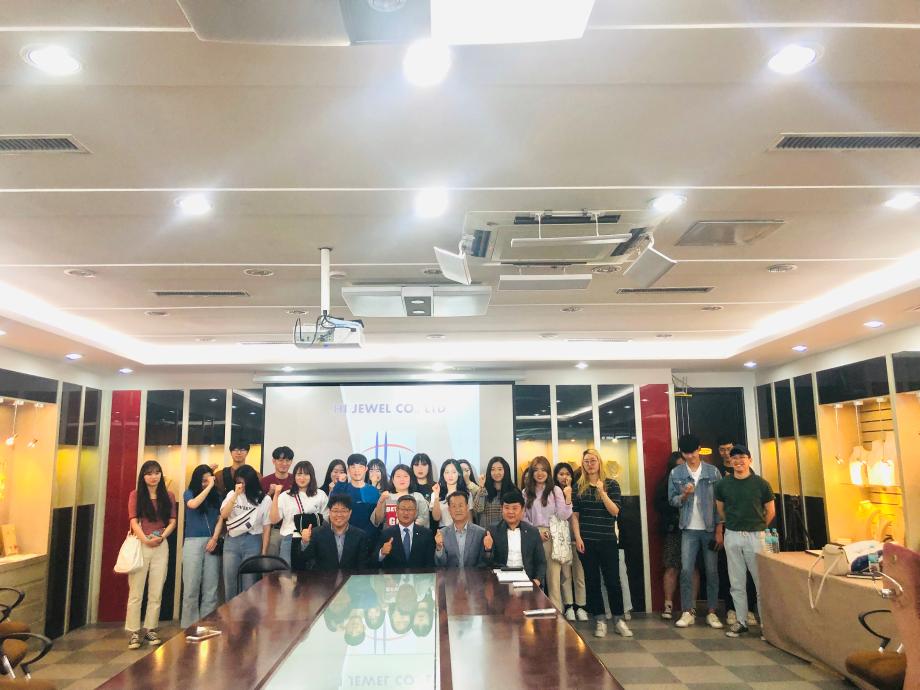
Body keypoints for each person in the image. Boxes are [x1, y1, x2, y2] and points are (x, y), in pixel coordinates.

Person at [715, 445, 776, 638]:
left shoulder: (761, 484)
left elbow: (770, 511)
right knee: (736, 581)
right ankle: (741, 622)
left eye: (742, 457)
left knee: (760, 581)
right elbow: (721, 510)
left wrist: (759, 526)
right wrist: (732, 525)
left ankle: (766, 625)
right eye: (734, 458)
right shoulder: (723, 485)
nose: (738, 461)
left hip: (756, 535)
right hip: (732, 534)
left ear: (750, 460)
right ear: (730, 461)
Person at [572, 448, 632, 638]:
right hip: (586, 541)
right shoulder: (578, 487)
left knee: (613, 581)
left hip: (607, 540)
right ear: (582, 464)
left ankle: (618, 619)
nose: (590, 464)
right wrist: (578, 537)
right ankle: (599, 620)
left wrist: (602, 493)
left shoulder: (611, 484)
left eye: (593, 460)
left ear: (599, 462)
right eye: (586, 461)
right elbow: (575, 516)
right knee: (592, 581)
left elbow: (615, 511)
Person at [669, 434, 724, 629]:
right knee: (686, 570)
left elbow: (720, 503)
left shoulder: (713, 472)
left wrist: (719, 529)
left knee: (712, 571)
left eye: (693, 452)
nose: (690, 456)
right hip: (688, 529)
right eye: (686, 453)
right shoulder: (676, 473)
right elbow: (672, 500)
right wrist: (684, 495)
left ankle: (712, 611)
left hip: (709, 528)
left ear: (699, 449)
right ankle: (687, 611)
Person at [125, 460, 177, 649]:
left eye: (157, 472)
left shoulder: (168, 495)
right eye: (149, 473)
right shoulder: (136, 495)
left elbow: (172, 521)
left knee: (156, 590)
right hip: (141, 544)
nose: (153, 477)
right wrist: (145, 539)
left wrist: (162, 536)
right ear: (143, 476)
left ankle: (150, 628)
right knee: (136, 591)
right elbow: (133, 521)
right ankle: (133, 631)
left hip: (161, 545)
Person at [523, 456, 572, 611]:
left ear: (548, 472)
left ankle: (557, 613)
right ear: (531, 472)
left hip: (552, 535)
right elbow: (523, 517)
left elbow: (563, 515)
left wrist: (568, 497)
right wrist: (534, 534)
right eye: (536, 470)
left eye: (543, 470)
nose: (540, 473)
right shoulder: (525, 492)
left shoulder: (555, 490)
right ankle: (534, 611)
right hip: (532, 536)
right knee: (534, 576)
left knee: (553, 579)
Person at [219, 464, 272, 600]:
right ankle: (230, 611)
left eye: (243, 482)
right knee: (230, 581)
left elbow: (266, 526)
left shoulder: (264, 499)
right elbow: (224, 515)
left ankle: (247, 613)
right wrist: (235, 494)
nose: (240, 485)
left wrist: (264, 550)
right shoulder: (232, 494)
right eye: (238, 482)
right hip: (232, 541)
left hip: (253, 540)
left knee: (249, 584)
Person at [180, 464, 221, 628]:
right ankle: (189, 626)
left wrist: (215, 538)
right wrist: (209, 486)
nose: (206, 483)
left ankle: (207, 624)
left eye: (209, 480)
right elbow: (193, 504)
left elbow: (220, 518)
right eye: (203, 481)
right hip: (192, 542)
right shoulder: (189, 492)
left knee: (211, 586)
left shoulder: (216, 496)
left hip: (211, 542)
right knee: (191, 586)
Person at [269, 460, 329, 569]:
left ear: (311, 476)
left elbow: (326, 519)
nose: (302, 478)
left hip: (313, 539)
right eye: (299, 474)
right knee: (287, 575)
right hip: (290, 539)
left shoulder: (320, 495)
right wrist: (276, 495)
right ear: (294, 476)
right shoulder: (285, 495)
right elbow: (273, 520)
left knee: (313, 575)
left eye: (306, 474)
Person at [484, 491, 546, 587]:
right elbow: (487, 564)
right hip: (500, 581)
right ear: (501, 509)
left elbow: (541, 562)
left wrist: (537, 581)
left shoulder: (533, 532)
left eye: (515, 508)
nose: (510, 512)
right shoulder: (492, 531)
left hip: (527, 580)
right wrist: (488, 550)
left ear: (522, 510)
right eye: (507, 508)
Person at [301, 494, 372, 571]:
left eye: (343, 511)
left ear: (350, 512)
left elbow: (362, 566)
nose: (339, 515)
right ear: (329, 512)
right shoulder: (316, 533)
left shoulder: (360, 535)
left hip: (350, 578)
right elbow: (305, 560)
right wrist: (304, 542)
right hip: (323, 578)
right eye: (335, 511)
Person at [554, 462, 588, 621]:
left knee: (579, 574)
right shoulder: (553, 493)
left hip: (577, 538)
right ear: (555, 476)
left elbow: (578, 516)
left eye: (567, 474)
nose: (564, 477)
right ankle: (568, 606)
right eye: (561, 474)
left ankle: (581, 606)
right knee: (565, 575)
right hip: (561, 540)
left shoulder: (578, 492)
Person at [653, 452, 685, 620]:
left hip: (693, 529)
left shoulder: (694, 481)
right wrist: (677, 503)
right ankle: (668, 604)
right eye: (678, 466)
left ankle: (690, 607)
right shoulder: (665, 483)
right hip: (673, 530)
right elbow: (658, 505)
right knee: (671, 566)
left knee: (692, 568)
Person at [377, 496, 436, 570]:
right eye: (402, 509)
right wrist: (382, 553)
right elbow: (373, 562)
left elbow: (430, 563)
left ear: (415, 512)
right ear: (397, 511)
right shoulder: (386, 534)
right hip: (394, 576)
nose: (406, 513)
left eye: (410, 509)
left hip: (419, 576)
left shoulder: (426, 534)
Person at [435, 491, 489, 568]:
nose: (457, 510)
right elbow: (440, 564)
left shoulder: (480, 533)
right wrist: (439, 547)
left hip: (474, 575)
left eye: (460, 505)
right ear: (449, 510)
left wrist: (488, 549)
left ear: (467, 507)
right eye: (454, 506)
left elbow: (485, 563)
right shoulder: (442, 533)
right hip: (451, 575)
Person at [331, 454, 381, 534]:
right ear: (348, 470)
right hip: (347, 536)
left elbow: (378, 519)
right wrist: (340, 483)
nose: (357, 470)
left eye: (360, 467)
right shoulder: (342, 488)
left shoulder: (374, 491)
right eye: (353, 467)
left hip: (370, 537)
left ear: (366, 469)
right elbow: (332, 509)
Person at [372, 463, 430, 530]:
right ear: (393, 480)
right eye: (398, 476)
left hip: (412, 534)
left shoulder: (418, 496)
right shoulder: (386, 496)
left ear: (410, 479)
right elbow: (378, 520)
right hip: (389, 535)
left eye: (405, 476)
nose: (402, 479)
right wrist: (381, 502)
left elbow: (424, 519)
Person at [261, 446, 295, 557]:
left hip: (291, 529)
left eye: (288, 460)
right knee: (271, 562)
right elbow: (258, 506)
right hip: (272, 530)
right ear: (273, 461)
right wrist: (269, 493)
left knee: (289, 563)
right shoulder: (264, 481)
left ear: (291, 462)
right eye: (280, 460)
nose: (284, 463)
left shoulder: (296, 480)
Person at [473, 456, 514, 530]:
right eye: (493, 469)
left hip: (506, 531)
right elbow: (477, 509)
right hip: (486, 532)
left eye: (500, 469)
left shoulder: (512, 490)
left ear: (505, 470)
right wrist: (481, 487)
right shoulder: (484, 489)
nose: (496, 473)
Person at [429, 459, 469, 525]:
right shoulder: (436, 493)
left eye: (454, 472)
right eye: (447, 472)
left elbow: (469, 519)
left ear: (459, 473)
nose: (450, 476)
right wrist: (436, 496)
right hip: (444, 529)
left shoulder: (466, 493)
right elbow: (436, 518)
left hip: (462, 529)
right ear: (443, 474)